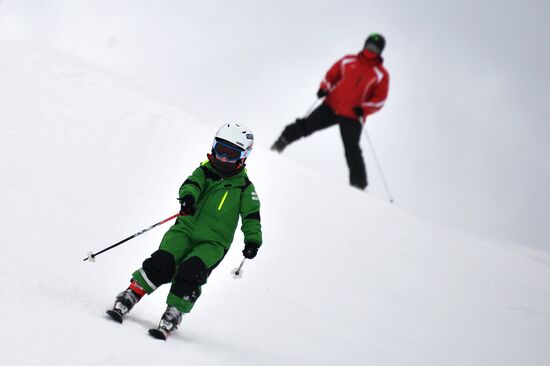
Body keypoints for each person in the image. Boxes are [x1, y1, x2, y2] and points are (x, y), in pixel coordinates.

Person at [107, 122, 262, 340]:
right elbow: (191, 184)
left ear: (243, 157)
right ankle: (132, 294)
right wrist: (188, 198)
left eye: (231, 154)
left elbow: (251, 216)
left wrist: (253, 241)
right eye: (220, 151)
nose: (223, 159)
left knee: (191, 271)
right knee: (162, 261)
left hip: (212, 244)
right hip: (184, 230)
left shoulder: (244, 188)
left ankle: (174, 312)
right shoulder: (204, 172)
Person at [271, 33, 390, 190]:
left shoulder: (381, 74)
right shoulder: (349, 60)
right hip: (331, 106)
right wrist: (324, 88)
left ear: (380, 52)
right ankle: (279, 144)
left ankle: (359, 186)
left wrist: (364, 109)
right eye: (369, 45)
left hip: (353, 116)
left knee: (352, 149)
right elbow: (331, 75)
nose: (371, 49)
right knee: (306, 125)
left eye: (375, 48)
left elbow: (379, 100)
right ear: (364, 44)